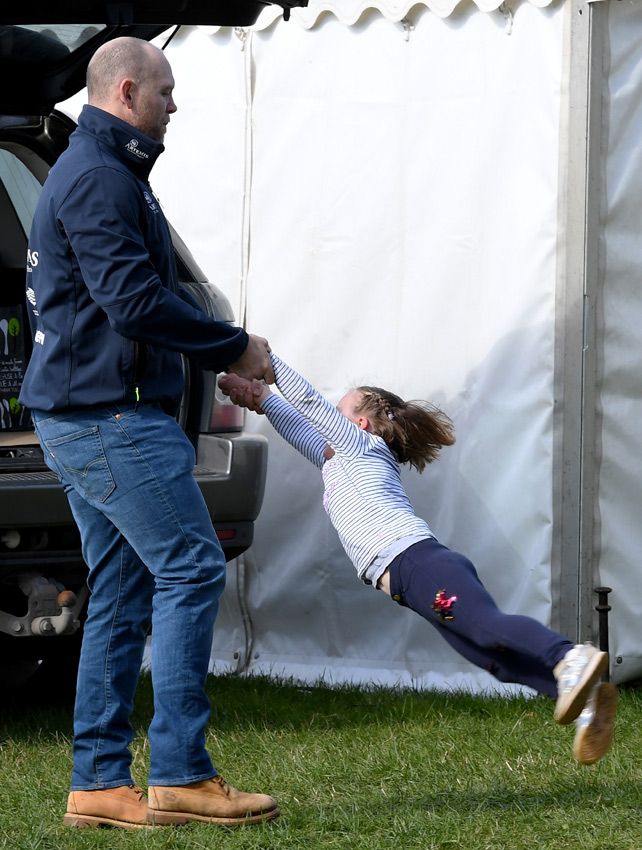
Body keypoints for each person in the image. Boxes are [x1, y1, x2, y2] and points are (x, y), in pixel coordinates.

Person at [19, 37, 279, 830]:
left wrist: (212, 360)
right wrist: (231, 344)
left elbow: (142, 298)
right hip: (111, 421)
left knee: (126, 590)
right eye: (166, 91)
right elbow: (133, 303)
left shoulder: (103, 170)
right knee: (194, 569)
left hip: (95, 416)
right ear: (128, 90)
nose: (175, 105)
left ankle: (99, 784)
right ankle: (179, 774)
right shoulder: (100, 177)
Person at [219, 355, 618, 767]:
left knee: (485, 626)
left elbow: (308, 404)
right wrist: (262, 398)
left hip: (417, 561)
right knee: (493, 659)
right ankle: (585, 701)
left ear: (360, 425)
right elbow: (300, 427)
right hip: (411, 578)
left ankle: (567, 656)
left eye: (340, 410)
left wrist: (266, 360)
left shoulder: (362, 446)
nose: (329, 416)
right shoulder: (338, 461)